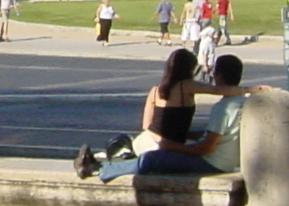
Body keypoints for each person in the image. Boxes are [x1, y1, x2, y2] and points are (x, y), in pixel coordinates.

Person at [75, 50, 258, 179]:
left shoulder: (223, 108)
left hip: (212, 161)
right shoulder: (243, 102)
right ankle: (102, 164)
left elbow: (205, 148)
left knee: (153, 159)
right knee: (153, 158)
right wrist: (252, 89)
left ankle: (99, 167)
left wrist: (172, 146)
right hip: (220, 159)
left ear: (219, 76)